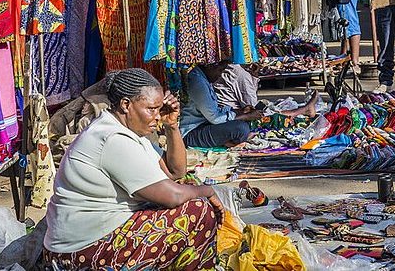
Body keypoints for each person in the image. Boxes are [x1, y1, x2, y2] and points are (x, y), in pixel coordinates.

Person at [44, 68, 224, 271]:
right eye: (151, 109)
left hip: (88, 241)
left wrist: (172, 126)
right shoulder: (111, 138)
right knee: (198, 210)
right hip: (81, 252)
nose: (157, 117)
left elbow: (175, 172)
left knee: (190, 185)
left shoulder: (127, 132)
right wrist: (209, 191)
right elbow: (172, 195)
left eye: (159, 109)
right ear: (126, 105)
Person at [180, 62, 263, 148]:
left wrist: (240, 112)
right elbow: (215, 118)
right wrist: (245, 116)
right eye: (219, 70)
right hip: (189, 133)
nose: (220, 75)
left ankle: (226, 140)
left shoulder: (201, 78)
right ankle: (226, 141)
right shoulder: (198, 82)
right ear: (210, 66)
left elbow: (215, 110)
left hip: (203, 124)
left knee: (242, 125)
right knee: (241, 128)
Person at [213, 62, 319, 117]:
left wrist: (254, 77)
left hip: (230, 111)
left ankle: (302, 110)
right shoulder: (239, 73)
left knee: (267, 107)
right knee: (265, 114)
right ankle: (301, 111)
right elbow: (251, 105)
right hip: (233, 114)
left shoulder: (235, 70)